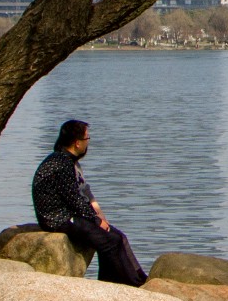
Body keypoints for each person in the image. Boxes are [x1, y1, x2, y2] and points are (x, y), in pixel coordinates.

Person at [31, 119, 147, 285]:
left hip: (66, 213)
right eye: (87, 139)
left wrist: (97, 217)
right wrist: (95, 219)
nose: (88, 143)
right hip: (57, 218)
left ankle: (137, 278)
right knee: (109, 242)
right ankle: (121, 283)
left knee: (116, 236)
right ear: (77, 143)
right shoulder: (62, 163)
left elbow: (82, 196)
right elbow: (74, 200)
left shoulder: (66, 160)